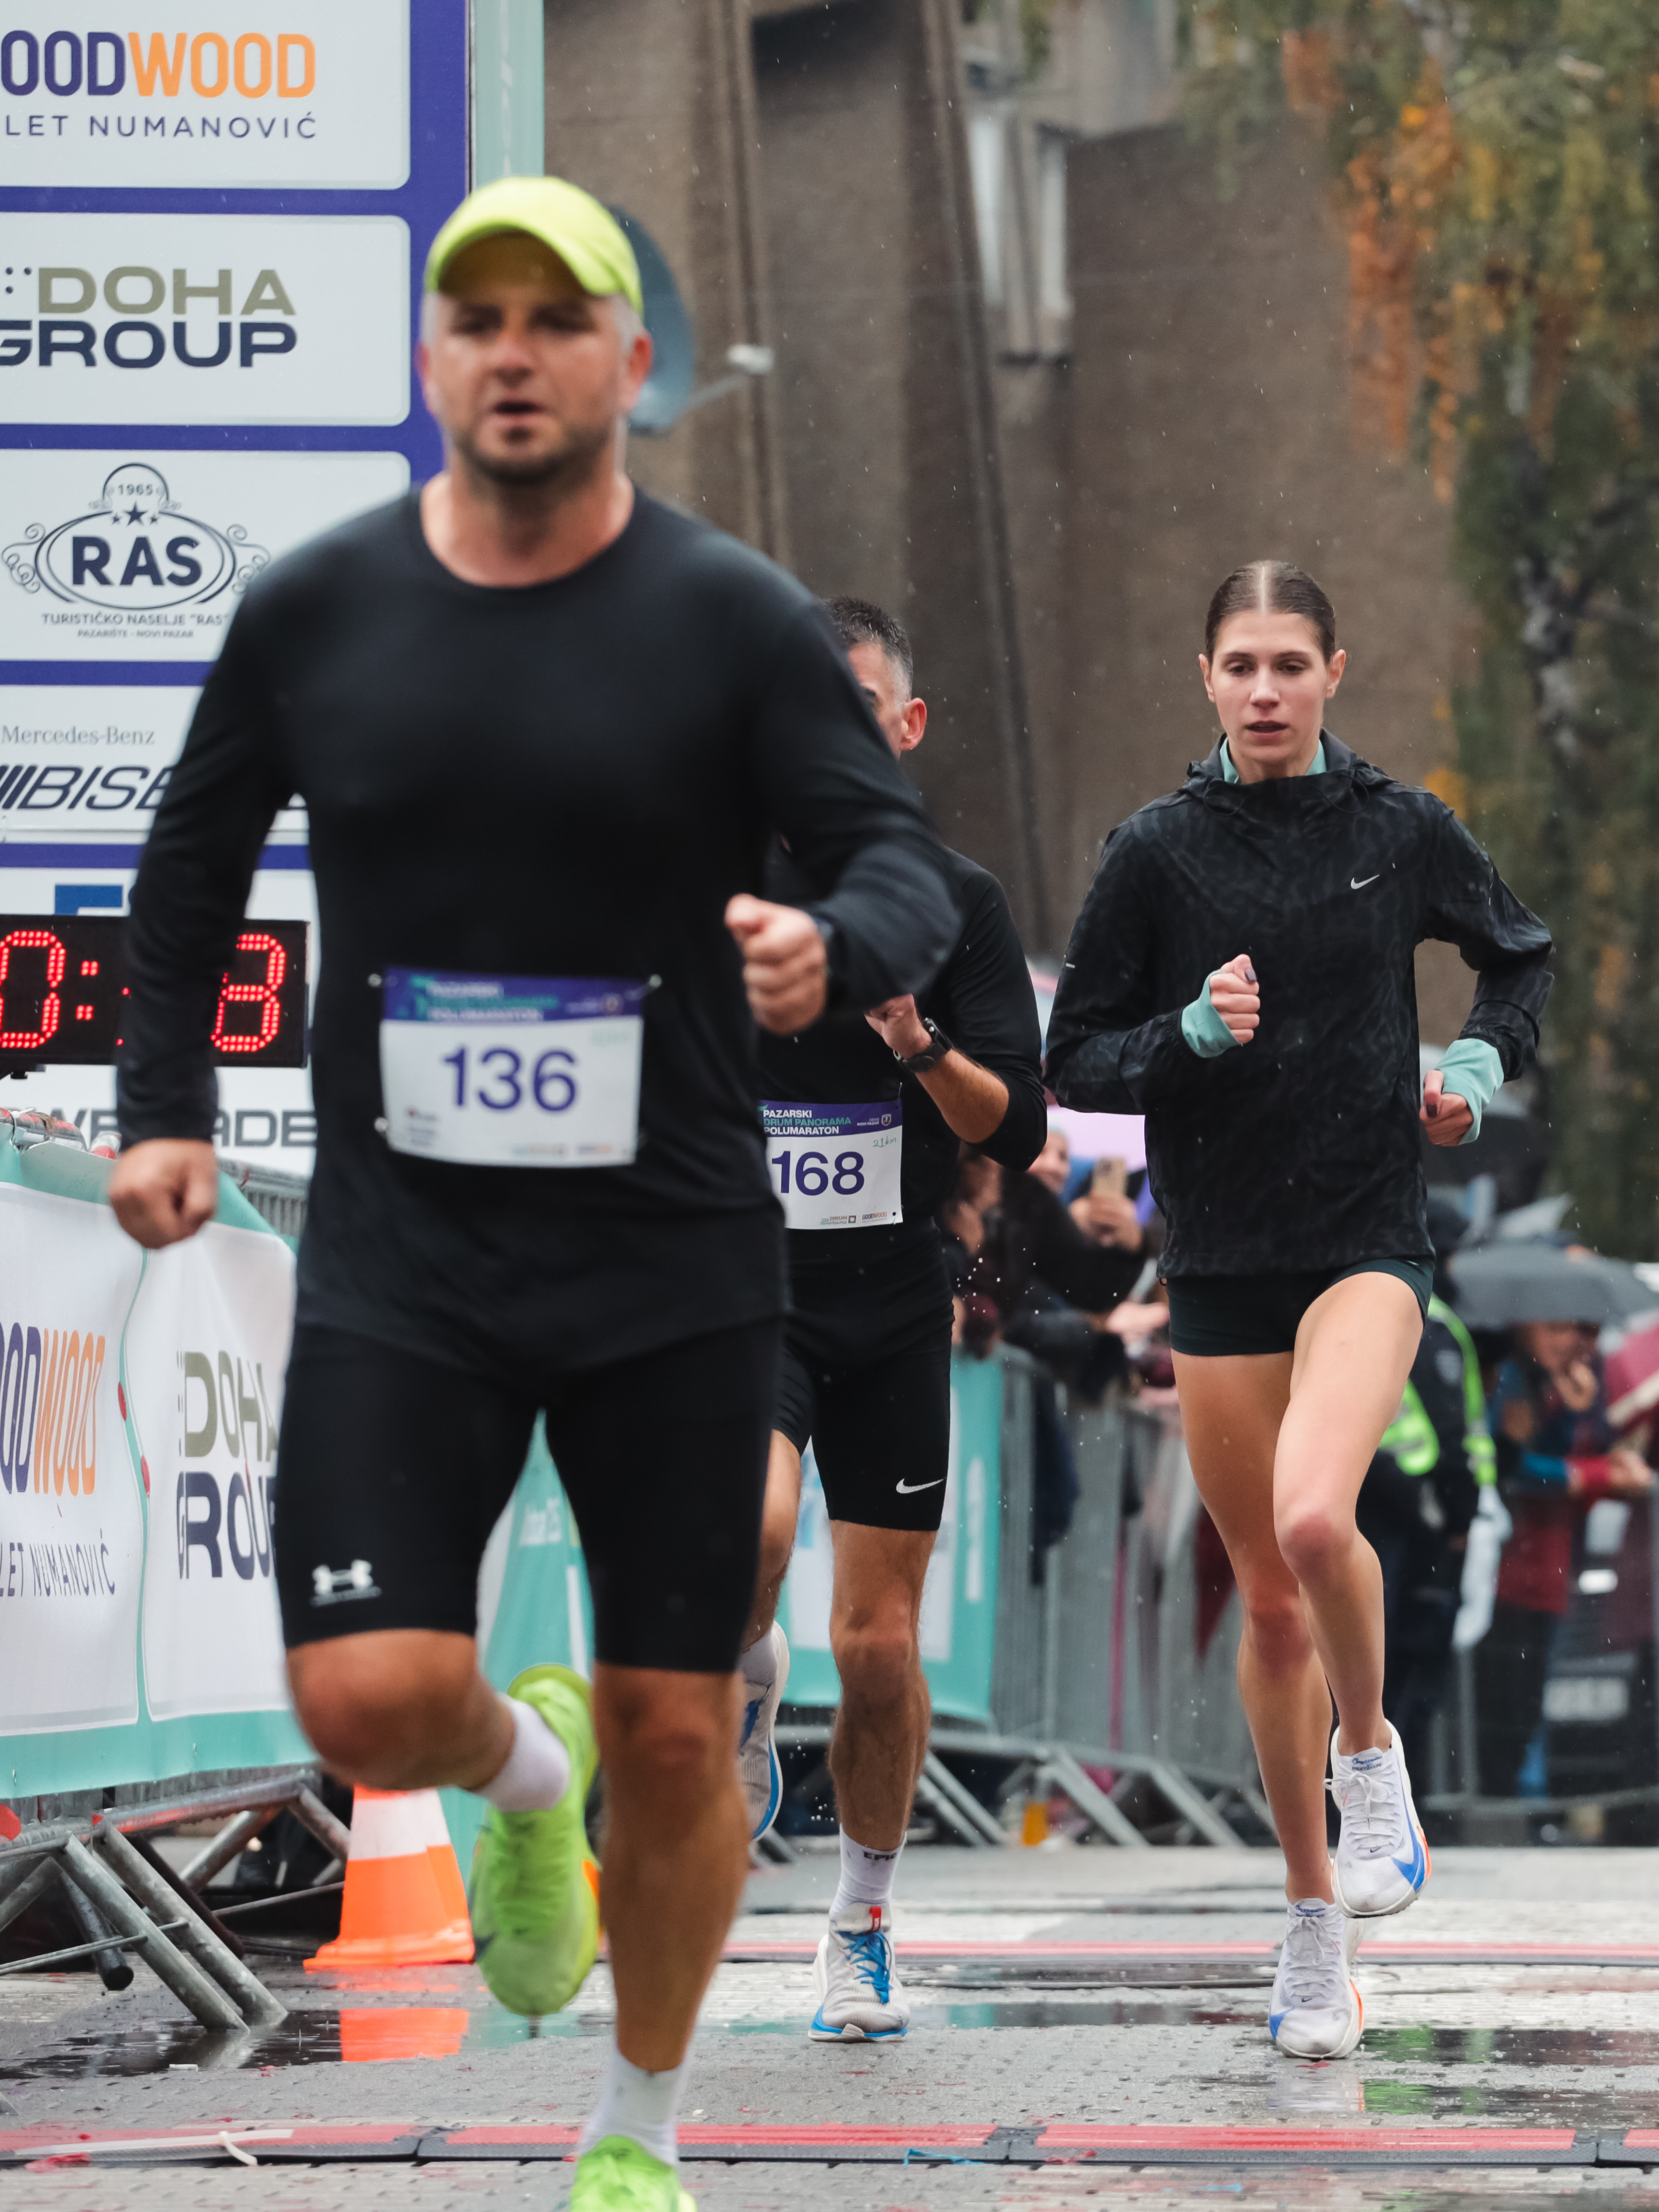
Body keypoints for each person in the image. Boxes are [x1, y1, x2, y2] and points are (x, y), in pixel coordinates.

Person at [107, 177, 956, 2212]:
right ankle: (520, 1774)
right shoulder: (317, 608)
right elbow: (188, 873)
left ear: (628, 363)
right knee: (367, 1693)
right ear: (428, 357)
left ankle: (636, 2133)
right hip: (407, 1249)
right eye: (473, 317)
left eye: (553, 319)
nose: (511, 352)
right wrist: (164, 1109)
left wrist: (829, 944)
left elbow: (900, 861)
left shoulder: (729, 619)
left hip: (670, 1254)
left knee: (684, 1732)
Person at [1045, 559, 1553, 2063]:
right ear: (1203, 677)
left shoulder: (1398, 829)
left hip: (1364, 1239)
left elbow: (1515, 954)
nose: (1263, 689)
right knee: (1268, 1601)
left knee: (1318, 1518)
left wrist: (1474, 1069)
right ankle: (1311, 1918)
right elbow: (1075, 1054)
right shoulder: (1156, 849)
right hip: (1219, 1260)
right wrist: (1186, 1035)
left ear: (1335, 671)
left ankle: (1370, 1755)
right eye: (1238, 664)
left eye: (1288, 662)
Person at [734, 596, 1046, 2043]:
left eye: (858, 706)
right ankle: (746, 1665)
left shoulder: (955, 900)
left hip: (890, 1296)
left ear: (906, 727)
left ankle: (859, 1919)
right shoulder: (720, 882)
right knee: (753, 1528)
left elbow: (1018, 1125)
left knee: (877, 1645)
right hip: (745, 1288)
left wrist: (918, 1041)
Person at [1477, 1317, 1653, 1796]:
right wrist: (1594, 1473)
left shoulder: (1565, 1381)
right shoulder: (1508, 1375)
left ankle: (1523, 1796)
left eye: (1587, 1332)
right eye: (1558, 1328)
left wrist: (1572, 1415)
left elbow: (1559, 1456)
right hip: (1507, 1570)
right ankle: (1505, 1798)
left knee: (1526, 1698)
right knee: (1502, 1702)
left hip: (1550, 1569)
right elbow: (1509, 1463)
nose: (1574, 1342)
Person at [1356, 1197, 1494, 1786]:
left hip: (1383, 1505)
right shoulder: (1427, 1319)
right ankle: (1387, 1798)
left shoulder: (1363, 1304)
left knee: (1376, 1664)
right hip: (1410, 1516)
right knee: (1398, 1665)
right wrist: (1457, 1511)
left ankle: (1370, 1797)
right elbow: (1450, 1427)